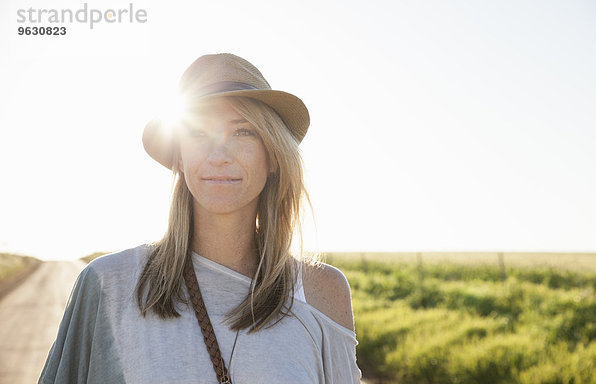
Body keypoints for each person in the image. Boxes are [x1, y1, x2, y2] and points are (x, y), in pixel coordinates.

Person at [38, 53, 362, 383]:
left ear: (274, 156)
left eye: (243, 132)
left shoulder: (321, 293)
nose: (218, 155)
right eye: (197, 132)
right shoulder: (107, 284)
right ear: (179, 156)